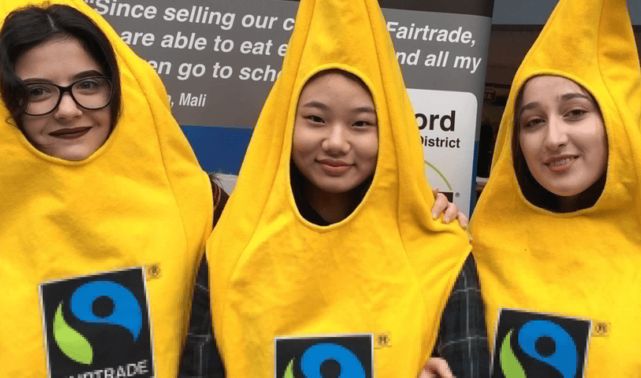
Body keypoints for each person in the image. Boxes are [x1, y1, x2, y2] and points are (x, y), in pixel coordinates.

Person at [0, 1, 219, 377]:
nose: (68, 109)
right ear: (6, 103)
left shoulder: (198, 201)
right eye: (37, 91)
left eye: (89, 84)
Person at [193, 0, 489, 377]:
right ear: (284, 123)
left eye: (361, 124)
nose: (335, 141)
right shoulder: (231, 246)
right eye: (315, 118)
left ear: (393, 134)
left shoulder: (440, 251)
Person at [470, 0, 641, 377]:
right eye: (533, 121)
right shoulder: (474, 256)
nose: (553, 138)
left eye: (575, 112)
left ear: (617, 124)